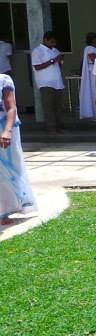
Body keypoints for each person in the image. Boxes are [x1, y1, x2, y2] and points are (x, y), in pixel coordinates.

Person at [0, 74, 36, 224]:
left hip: (4, 128)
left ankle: (4, 211)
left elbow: (11, 107)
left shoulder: (3, 80)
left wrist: (7, 131)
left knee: (7, 171)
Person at [31, 31, 65, 133]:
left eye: (55, 42)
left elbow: (59, 65)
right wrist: (52, 61)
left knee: (59, 107)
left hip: (58, 83)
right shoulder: (37, 51)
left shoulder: (55, 50)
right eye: (51, 42)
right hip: (45, 83)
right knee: (48, 107)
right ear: (45, 40)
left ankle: (59, 127)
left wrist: (60, 60)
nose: (53, 44)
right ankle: (51, 129)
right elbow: (37, 67)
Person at [79, 32, 96, 121]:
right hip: (94, 73)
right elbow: (94, 60)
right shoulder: (89, 48)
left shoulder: (93, 48)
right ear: (93, 39)